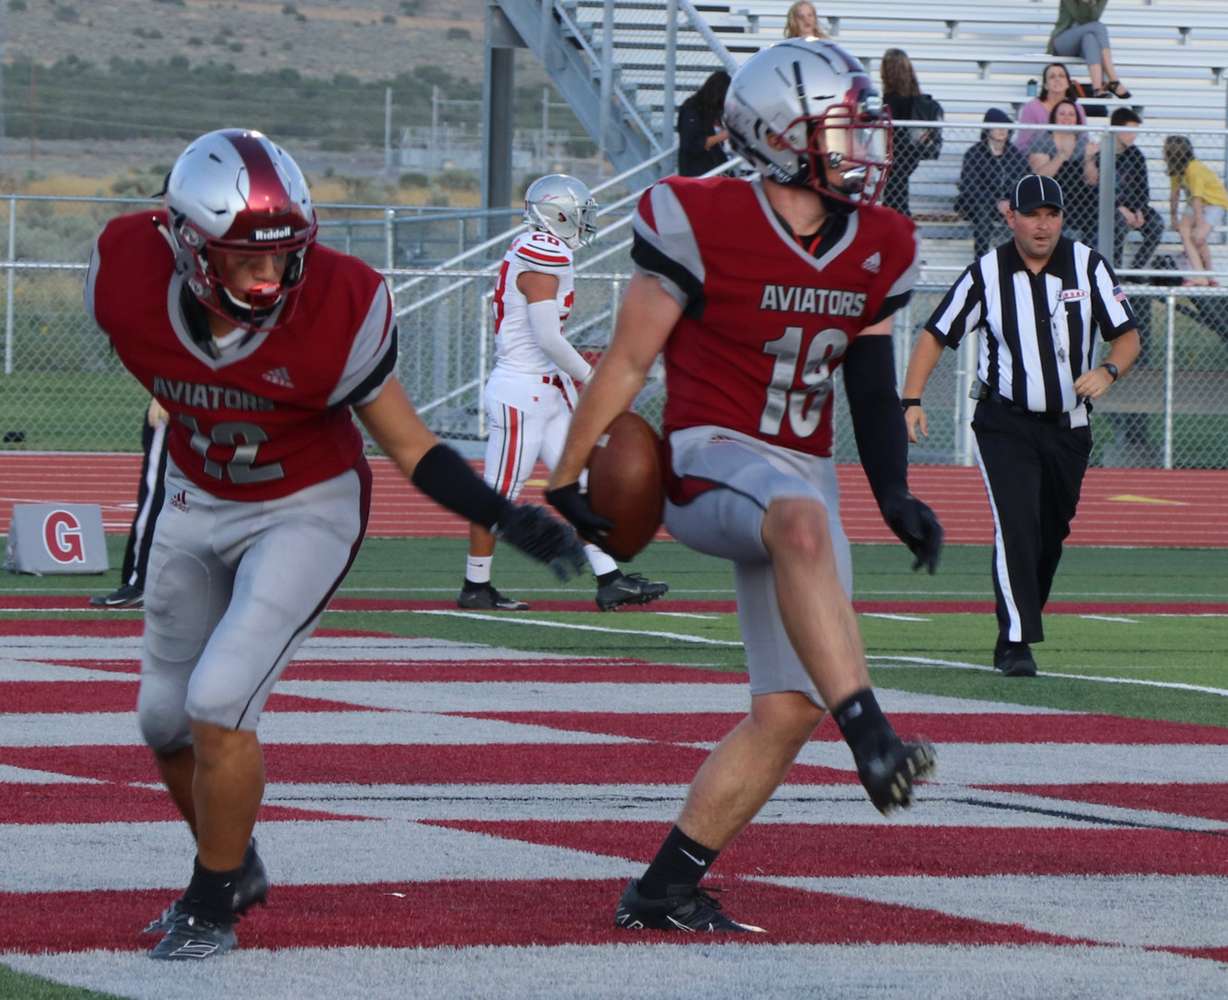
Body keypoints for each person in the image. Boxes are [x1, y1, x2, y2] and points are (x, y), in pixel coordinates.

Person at [83, 128, 585, 960]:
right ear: (186, 244)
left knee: (220, 701)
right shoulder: (124, 271)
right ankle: (234, 864)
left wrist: (508, 515)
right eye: (245, 258)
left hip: (305, 507)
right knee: (164, 719)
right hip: (194, 492)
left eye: (283, 256)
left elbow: (411, 445)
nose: (270, 277)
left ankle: (210, 903)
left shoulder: (341, 300)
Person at [544, 39, 941, 933]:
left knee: (788, 707)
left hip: (802, 472)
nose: (865, 145)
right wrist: (567, 472)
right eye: (843, 128)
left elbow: (870, 383)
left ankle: (663, 889)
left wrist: (893, 495)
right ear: (778, 135)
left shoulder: (879, 241)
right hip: (707, 460)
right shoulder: (700, 216)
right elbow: (629, 357)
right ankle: (873, 735)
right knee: (799, 525)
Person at [901, 175, 1140, 677]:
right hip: (1004, 422)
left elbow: (1127, 336)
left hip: (1069, 427)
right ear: (1011, 217)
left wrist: (1108, 370)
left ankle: (1018, 619)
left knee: (1050, 533)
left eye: (1051, 214)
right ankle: (1014, 641)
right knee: (1017, 526)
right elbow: (935, 334)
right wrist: (912, 398)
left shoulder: (1087, 265)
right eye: (1032, 214)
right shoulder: (986, 274)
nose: (1043, 224)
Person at [459, 174, 668, 612]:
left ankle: (610, 577)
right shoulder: (543, 252)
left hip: (545, 390)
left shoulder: (543, 250)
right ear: (555, 214)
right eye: (578, 213)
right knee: (497, 494)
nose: (583, 221)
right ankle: (476, 586)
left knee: (582, 485)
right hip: (521, 391)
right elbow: (548, 337)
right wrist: (595, 381)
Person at [90, 397, 170, 609]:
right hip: (219, 402)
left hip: (182, 399)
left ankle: (140, 583)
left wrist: (163, 394)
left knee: (155, 494)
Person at [956, 108, 1030, 258]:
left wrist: (1011, 202)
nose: (1002, 130)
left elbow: (1025, 180)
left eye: (1005, 127)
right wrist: (996, 203)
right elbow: (970, 187)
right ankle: (981, 259)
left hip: (1009, 204)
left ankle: (1017, 259)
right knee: (983, 214)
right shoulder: (974, 153)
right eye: (997, 126)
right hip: (979, 203)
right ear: (987, 129)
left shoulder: (1014, 154)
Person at [879, 48, 942, 218]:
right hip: (911, 151)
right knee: (897, 192)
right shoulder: (914, 94)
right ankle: (901, 226)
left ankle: (901, 227)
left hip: (897, 152)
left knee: (894, 195)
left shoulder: (891, 98)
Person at [1027, 99, 1100, 244]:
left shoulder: (1083, 141)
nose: (1067, 117)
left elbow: (1092, 180)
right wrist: (1062, 156)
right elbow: (1040, 177)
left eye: (1071, 114)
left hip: (1082, 200)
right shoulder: (1042, 140)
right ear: (1054, 117)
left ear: (1077, 120)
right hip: (1051, 198)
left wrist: (1089, 158)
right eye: (1062, 114)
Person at [1163, 134, 1228, 286]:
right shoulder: (1176, 170)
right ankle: (1200, 275)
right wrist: (1174, 219)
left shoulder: (1194, 169)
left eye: (1165, 152)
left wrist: (1199, 224)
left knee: (1197, 237)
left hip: (1214, 202)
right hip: (1195, 202)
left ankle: (1208, 275)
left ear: (1173, 154)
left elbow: (1198, 198)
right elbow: (1175, 195)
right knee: (1185, 231)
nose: (1163, 155)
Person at [1104, 107, 1162, 272]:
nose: (1133, 136)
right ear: (1116, 129)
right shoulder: (1102, 153)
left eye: (1135, 131)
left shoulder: (1136, 155)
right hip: (1109, 208)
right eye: (1129, 131)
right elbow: (1098, 192)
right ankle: (1114, 271)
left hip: (1132, 207)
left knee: (1157, 224)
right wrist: (1119, 208)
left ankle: (1135, 270)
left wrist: (1139, 210)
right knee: (1118, 223)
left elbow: (1143, 189)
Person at [1048, 0, 1131, 99]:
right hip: (1063, 41)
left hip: (1083, 44)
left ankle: (1097, 89)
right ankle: (1114, 81)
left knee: (1090, 38)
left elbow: (1094, 17)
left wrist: (1090, 2)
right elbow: (1079, 17)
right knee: (1099, 27)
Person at [1013, 62, 1087, 155]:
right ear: (1045, 85)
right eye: (1052, 77)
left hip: (1071, 158)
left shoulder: (1077, 108)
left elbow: (1083, 138)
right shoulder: (1032, 107)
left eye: (1061, 76)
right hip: (1038, 157)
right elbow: (1023, 144)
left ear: (1068, 83)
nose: (1057, 79)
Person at [676, 70, 731, 178]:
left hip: (715, 168)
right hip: (698, 172)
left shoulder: (711, 110)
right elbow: (692, 144)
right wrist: (724, 135)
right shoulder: (692, 109)